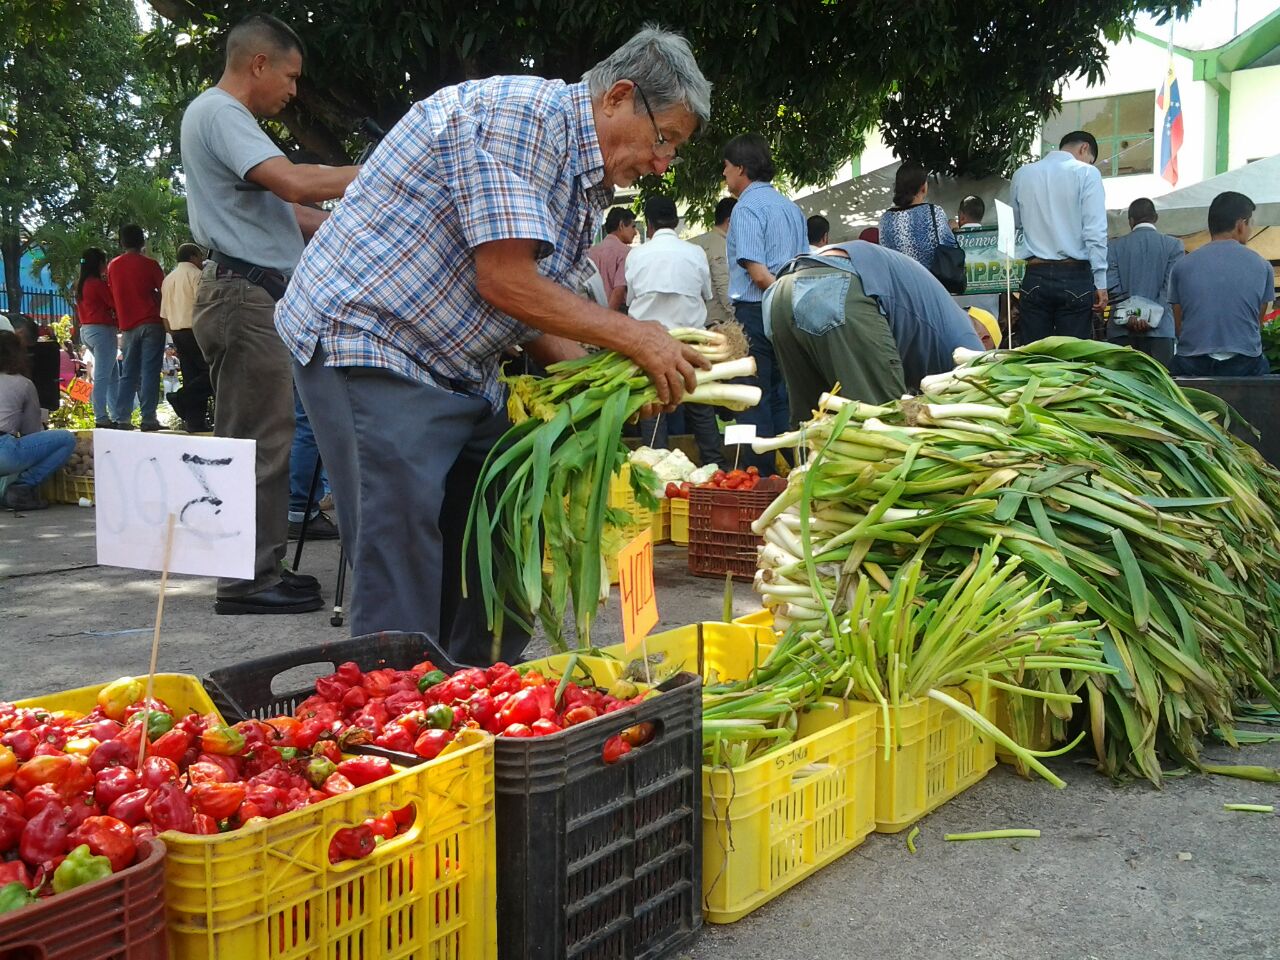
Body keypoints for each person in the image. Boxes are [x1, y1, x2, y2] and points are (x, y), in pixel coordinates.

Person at [275, 27, 711, 662]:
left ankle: (478, 695)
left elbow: (535, 306)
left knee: (499, 523)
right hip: (371, 341)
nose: (662, 162)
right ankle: (395, 722)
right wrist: (635, 337)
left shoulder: (585, 180)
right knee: (403, 544)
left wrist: (603, 384)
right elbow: (505, 279)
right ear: (618, 96)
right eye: (664, 138)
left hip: (459, 366)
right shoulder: (521, 120)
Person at [182, 13, 359, 616]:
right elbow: (296, 186)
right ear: (258, 63)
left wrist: (357, 224)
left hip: (254, 293)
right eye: (289, 75)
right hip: (245, 296)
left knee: (264, 438)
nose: (293, 90)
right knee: (256, 443)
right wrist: (390, 173)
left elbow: (295, 216)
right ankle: (245, 580)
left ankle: (258, 566)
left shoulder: (230, 124)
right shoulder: (221, 113)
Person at [765, 241, 983, 424]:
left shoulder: (944, 315)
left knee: (812, 429)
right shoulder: (971, 349)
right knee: (882, 423)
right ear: (985, 337)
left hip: (781, 291)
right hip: (835, 288)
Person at [722, 132, 807, 472]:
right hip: (790, 309)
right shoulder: (791, 208)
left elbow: (757, 273)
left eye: (726, 168)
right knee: (784, 396)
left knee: (752, 397)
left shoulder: (745, 209)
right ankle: (797, 473)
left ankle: (757, 478)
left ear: (741, 168)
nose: (725, 175)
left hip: (757, 310)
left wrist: (774, 293)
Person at [627, 195, 721, 464]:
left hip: (649, 345)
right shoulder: (695, 253)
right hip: (690, 342)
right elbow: (707, 294)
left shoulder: (636, 255)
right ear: (677, 222)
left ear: (649, 225)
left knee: (653, 407)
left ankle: (655, 468)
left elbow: (631, 300)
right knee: (701, 407)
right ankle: (715, 464)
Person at [1011, 130, 1107, 342]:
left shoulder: (1022, 174)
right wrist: (1101, 281)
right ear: (1084, 149)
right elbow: (1095, 232)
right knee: (1071, 361)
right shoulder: (1087, 173)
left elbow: (1014, 227)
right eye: (1090, 159)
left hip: (1034, 274)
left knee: (1034, 357)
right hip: (1075, 274)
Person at [1169, 192, 1274, 377]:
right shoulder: (1262, 266)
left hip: (1191, 362)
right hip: (1246, 362)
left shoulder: (1182, 266)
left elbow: (1178, 323)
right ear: (1241, 225)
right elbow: (1256, 321)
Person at [0, 331, 75, 511]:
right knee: (66, 439)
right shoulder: (23, 384)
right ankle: (21, 487)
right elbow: (31, 431)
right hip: (3, 452)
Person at [1104, 198, 1184, 368]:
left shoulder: (1113, 247)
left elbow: (1113, 289)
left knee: (1120, 391)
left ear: (1131, 221)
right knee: (1159, 390)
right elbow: (1169, 290)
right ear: (1155, 217)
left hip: (1121, 332)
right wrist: (1148, 316)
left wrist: (1132, 315)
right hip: (1160, 332)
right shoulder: (1174, 246)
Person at [107, 225, 166, 430]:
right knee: (150, 371)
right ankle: (148, 418)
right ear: (142, 242)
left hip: (128, 326)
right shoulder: (151, 264)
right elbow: (164, 289)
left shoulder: (113, 266)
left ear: (122, 242)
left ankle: (123, 418)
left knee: (128, 372)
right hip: (151, 321)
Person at [160, 243, 213, 432]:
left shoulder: (168, 279)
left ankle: (195, 422)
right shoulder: (197, 276)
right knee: (211, 375)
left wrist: (172, 335)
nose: (201, 261)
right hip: (196, 330)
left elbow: (164, 314)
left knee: (191, 375)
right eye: (200, 256)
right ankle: (181, 397)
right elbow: (205, 306)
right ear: (193, 256)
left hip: (177, 332)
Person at [74, 248, 123, 429]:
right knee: (104, 376)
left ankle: (116, 415)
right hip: (102, 331)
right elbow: (113, 302)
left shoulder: (81, 283)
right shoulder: (96, 283)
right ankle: (102, 416)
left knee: (111, 373)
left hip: (87, 330)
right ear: (100, 263)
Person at [878, 161, 958, 269]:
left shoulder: (885, 219)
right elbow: (952, 248)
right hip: (929, 284)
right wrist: (952, 228)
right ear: (923, 188)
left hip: (898, 285)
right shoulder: (934, 213)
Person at [690, 196, 735, 326]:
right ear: (730, 221)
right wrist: (738, 319)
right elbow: (723, 286)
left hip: (698, 317)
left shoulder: (703, 241)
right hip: (716, 320)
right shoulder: (720, 245)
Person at [586, 207, 637, 311]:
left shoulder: (591, 252)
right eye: (633, 227)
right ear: (621, 225)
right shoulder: (626, 253)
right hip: (616, 313)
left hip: (591, 312)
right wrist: (607, 318)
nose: (635, 232)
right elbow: (619, 290)